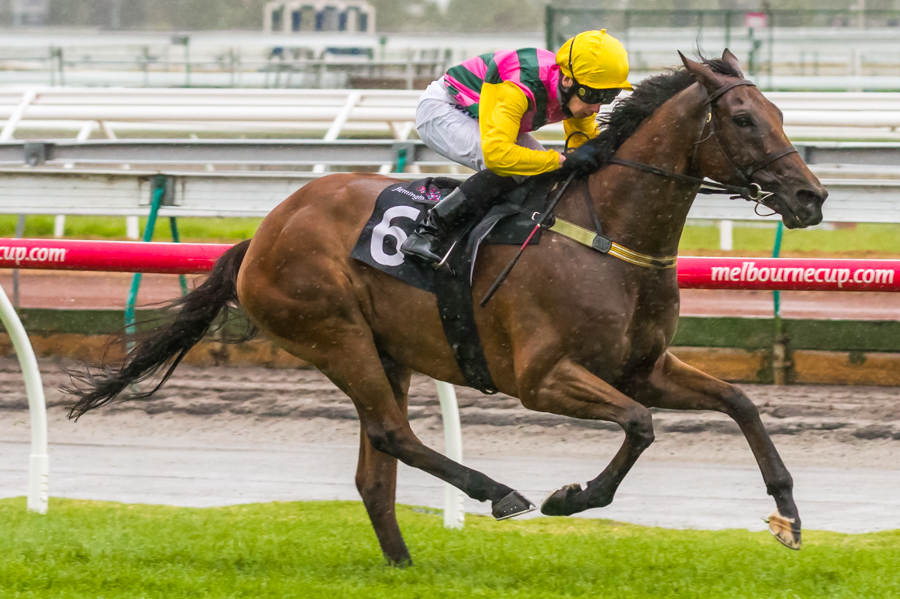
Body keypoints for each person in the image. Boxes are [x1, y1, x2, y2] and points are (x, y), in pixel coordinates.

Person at [400, 29, 632, 264]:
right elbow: (497, 155)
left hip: (480, 113)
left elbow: (581, 149)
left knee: (546, 173)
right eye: (594, 96)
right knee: (518, 167)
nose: (597, 108)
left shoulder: (576, 88)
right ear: (568, 80)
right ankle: (428, 231)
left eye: (607, 97)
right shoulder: (519, 85)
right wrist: (558, 160)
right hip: (443, 109)